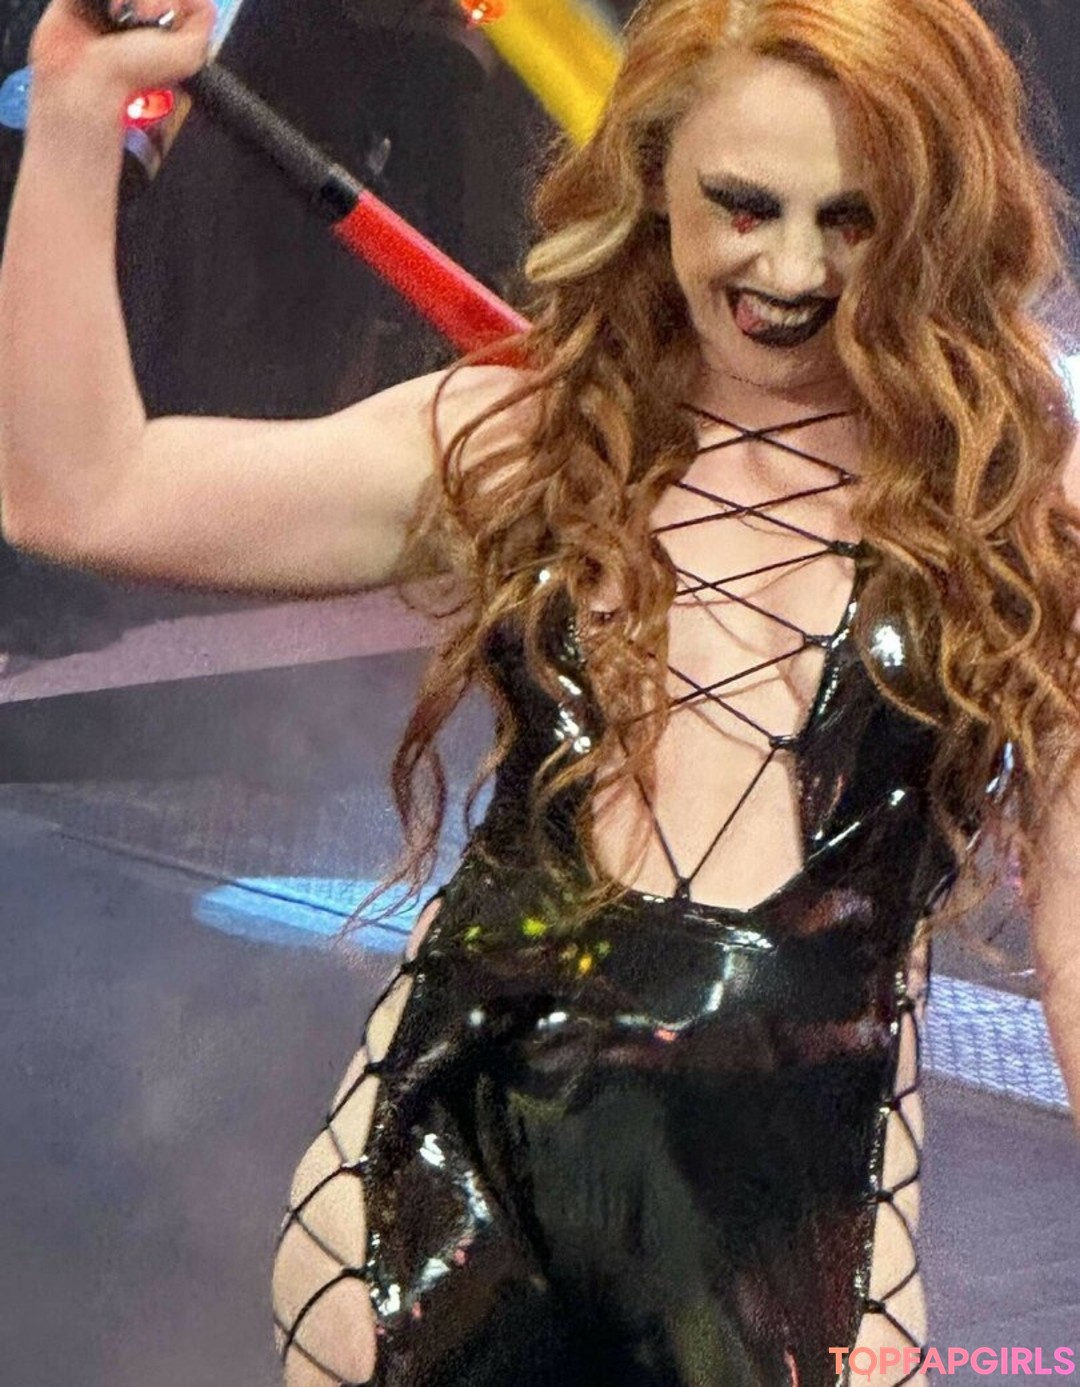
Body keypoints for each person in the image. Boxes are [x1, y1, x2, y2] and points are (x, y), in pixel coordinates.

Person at [3, 0, 1080, 1382]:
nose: (792, 268)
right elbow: (79, 493)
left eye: (852, 218)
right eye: (744, 205)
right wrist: (73, 117)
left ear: (937, 212)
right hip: (434, 1199)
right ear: (654, 180)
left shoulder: (1016, 507)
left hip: (803, 1238)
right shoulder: (533, 439)